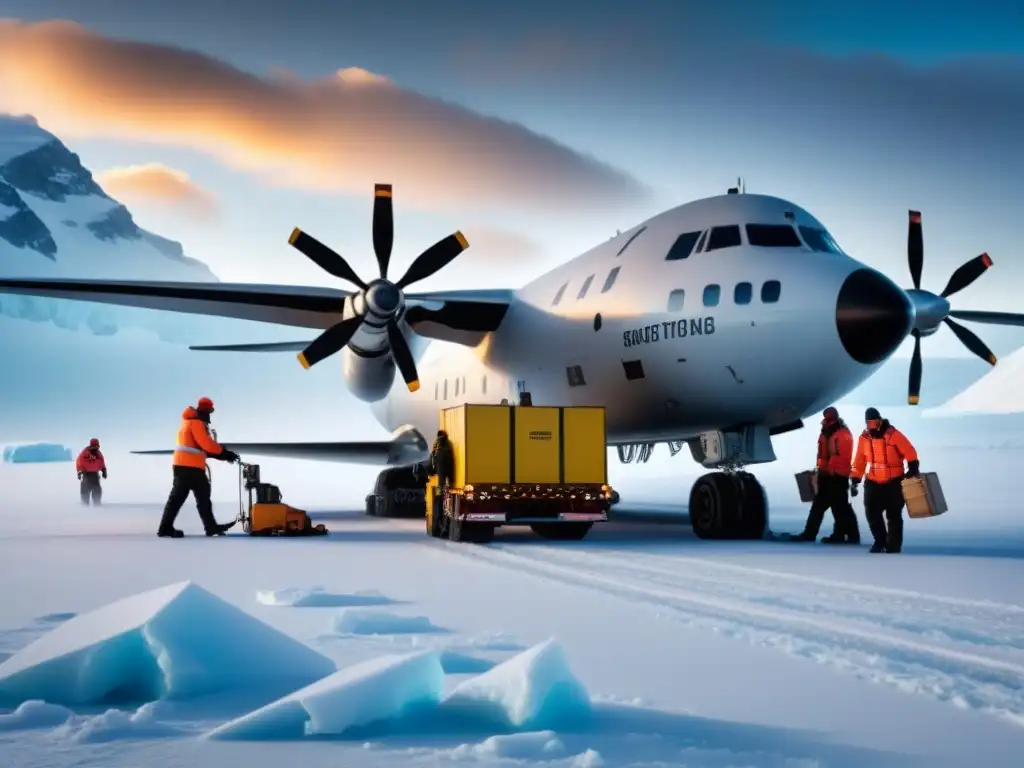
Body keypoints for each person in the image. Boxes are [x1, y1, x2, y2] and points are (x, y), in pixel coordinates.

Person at [157, 397, 240, 538]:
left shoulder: (187, 422)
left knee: (184, 498)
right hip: (190, 467)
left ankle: (207, 527)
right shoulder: (196, 423)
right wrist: (224, 453)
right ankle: (208, 527)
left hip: (184, 466)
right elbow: (206, 444)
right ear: (206, 411)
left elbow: (200, 449)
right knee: (199, 498)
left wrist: (224, 456)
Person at [850, 407, 920, 554]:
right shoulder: (864, 438)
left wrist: (913, 467)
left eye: (874, 422)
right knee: (871, 512)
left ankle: (893, 546)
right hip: (873, 481)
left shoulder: (893, 435)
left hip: (894, 482)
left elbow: (909, 450)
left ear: (880, 420)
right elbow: (859, 460)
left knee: (893, 515)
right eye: (868, 423)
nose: (871, 426)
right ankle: (880, 541)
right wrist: (855, 479)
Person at [793, 407, 860, 544]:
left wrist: (830, 471)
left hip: (837, 476)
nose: (826, 420)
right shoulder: (828, 432)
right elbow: (823, 455)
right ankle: (844, 535)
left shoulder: (842, 434)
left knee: (836, 508)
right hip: (828, 475)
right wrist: (820, 471)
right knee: (834, 507)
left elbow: (841, 457)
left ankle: (839, 535)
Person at [76, 438, 107, 506]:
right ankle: (84, 506)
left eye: (97, 446)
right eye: (95, 446)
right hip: (86, 474)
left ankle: (97, 505)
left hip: (95, 474)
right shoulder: (85, 452)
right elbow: (79, 461)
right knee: (85, 490)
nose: (96, 448)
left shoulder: (98, 453)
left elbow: (101, 461)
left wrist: (104, 470)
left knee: (97, 490)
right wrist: (79, 472)